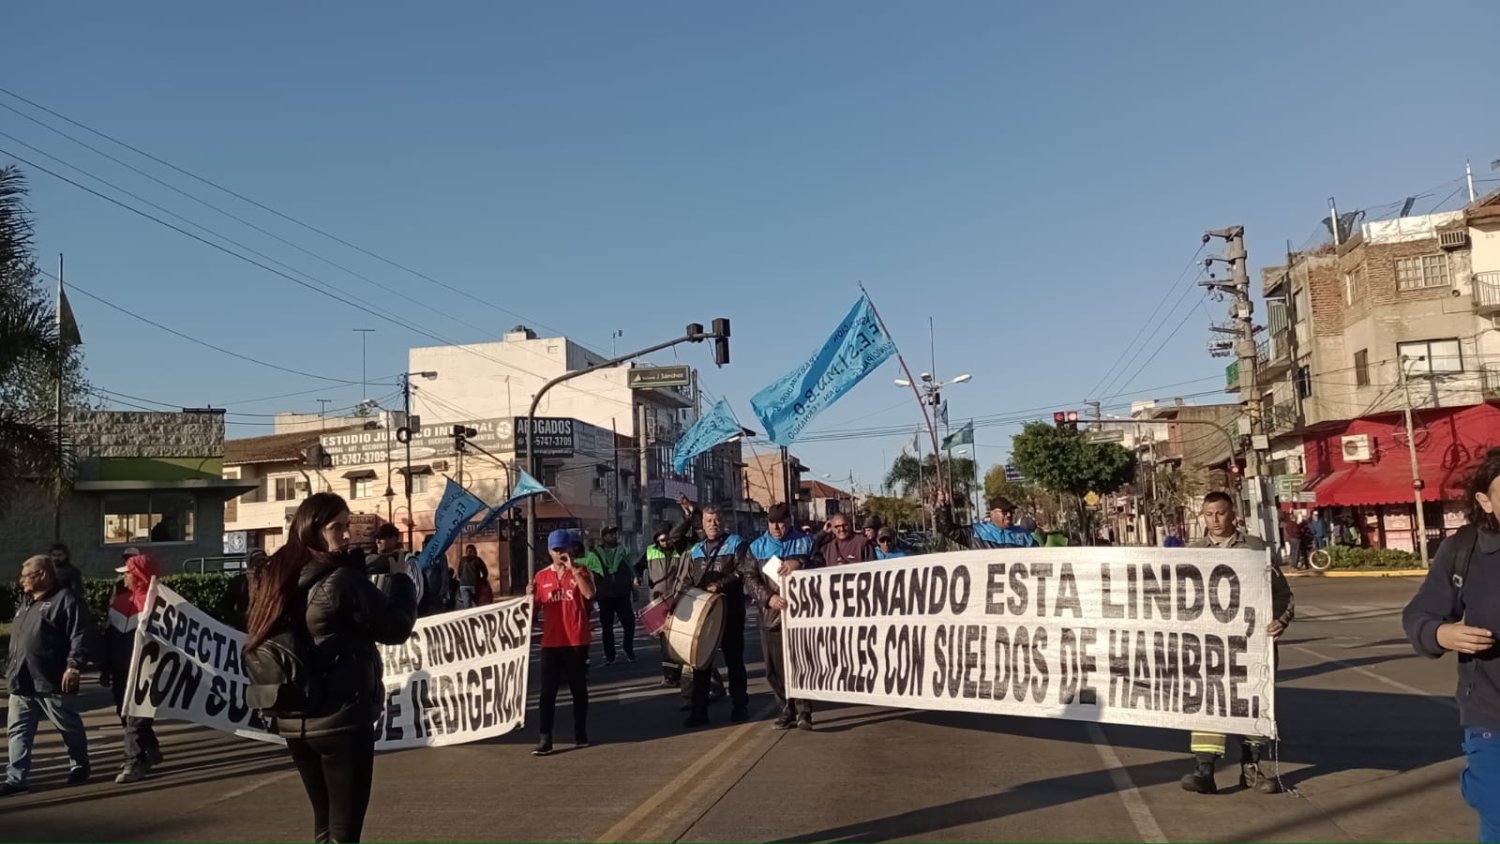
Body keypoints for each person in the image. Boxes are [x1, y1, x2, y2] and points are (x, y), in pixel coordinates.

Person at [244, 492, 417, 843]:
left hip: (293, 716)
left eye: (348, 525)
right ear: (314, 529)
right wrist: (401, 580)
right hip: (342, 719)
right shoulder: (341, 581)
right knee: (345, 832)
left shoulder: (272, 575)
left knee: (324, 825)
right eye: (338, 527)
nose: (347, 535)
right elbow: (396, 628)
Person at [1403, 448, 1500, 841]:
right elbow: (1418, 616)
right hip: (1492, 714)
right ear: (1485, 501)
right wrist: (1442, 634)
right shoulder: (1466, 550)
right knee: (1497, 808)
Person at [1181, 490, 1293, 796]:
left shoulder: (1255, 549)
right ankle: (1205, 770)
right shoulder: (1193, 552)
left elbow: (1282, 594)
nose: (1215, 520)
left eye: (1220, 513)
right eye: (1209, 514)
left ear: (1233, 515)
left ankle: (1251, 768)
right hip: (1209, 648)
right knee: (1207, 701)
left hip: (1251, 645)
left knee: (1252, 703)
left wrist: (1281, 620)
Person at [2, 556, 93, 795]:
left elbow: (80, 635)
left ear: (42, 574)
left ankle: (79, 765)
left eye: (26, 575)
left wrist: (73, 665)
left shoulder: (66, 600)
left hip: (50, 679)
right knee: (18, 729)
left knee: (67, 725)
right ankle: (16, 778)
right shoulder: (26, 602)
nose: (22, 580)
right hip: (21, 680)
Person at [668, 496, 750, 726]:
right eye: (708, 520)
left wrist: (720, 585)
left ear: (723, 522)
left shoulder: (736, 543)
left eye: (716, 520)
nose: (712, 524)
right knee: (700, 664)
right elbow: (675, 539)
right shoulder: (697, 549)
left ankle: (740, 707)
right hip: (703, 616)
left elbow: (743, 571)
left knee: (734, 662)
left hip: (730, 613)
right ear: (702, 523)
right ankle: (699, 712)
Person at [741, 503, 816, 730]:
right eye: (772, 523)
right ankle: (785, 710)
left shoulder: (806, 542)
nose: (776, 527)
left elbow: (822, 564)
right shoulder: (757, 547)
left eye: (781, 523)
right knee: (774, 669)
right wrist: (768, 598)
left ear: (789, 521)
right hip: (771, 616)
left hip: (803, 614)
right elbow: (749, 578)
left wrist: (799, 562)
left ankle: (804, 711)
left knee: (801, 664)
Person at [530, 529, 595, 756]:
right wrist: (528, 597)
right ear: (549, 550)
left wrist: (573, 570)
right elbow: (533, 610)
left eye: (562, 549)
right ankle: (545, 737)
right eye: (555, 550)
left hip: (576, 639)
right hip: (551, 642)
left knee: (579, 689)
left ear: (570, 548)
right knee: (547, 692)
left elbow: (589, 595)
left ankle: (580, 733)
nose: (559, 553)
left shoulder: (581, 571)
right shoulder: (541, 577)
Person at [103, 554, 164, 783]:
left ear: (138, 575)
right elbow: (109, 636)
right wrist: (105, 667)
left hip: (145, 671)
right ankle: (151, 750)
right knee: (125, 713)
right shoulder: (119, 601)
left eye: (127, 573)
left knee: (134, 716)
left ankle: (134, 761)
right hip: (120, 670)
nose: (123, 577)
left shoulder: (157, 603)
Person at [586, 526, 637, 665]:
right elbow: (589, 569)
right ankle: (610, 655)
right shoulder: (596, 552)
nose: (613, 536)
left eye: (614, 534)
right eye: (610, 534)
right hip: (605, 594)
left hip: (622, 593)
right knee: (606, 627)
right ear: (604, 537)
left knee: (629, 623)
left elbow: (630, 569)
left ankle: (628, 648)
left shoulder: (623, 550)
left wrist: (634, 588)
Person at [939, 494, 1038, 549]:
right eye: (1004, 511)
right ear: (992, 514)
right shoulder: (975, 533)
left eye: (1011, 511)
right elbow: (949, 530)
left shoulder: (1024, 535)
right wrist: (944, 507)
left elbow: (1039, 557)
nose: (1009, 515)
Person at [367, 525, 424, 608]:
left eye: (382, 538)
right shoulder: (371, 561)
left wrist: (405, 612)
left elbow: (417, 591)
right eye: (376, 538)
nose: (377, 541)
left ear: (393, 539)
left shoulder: (408, 560)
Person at [456, 544, 488, 610]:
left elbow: (459, 572)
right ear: (474, 551)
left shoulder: (462, 560)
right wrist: (482, 580)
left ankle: (468, 616)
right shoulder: (477, 560)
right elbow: (485, 571)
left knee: (467, 604)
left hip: (463, 584)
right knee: (476, 603)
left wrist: (462, 579)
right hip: (474, 584)